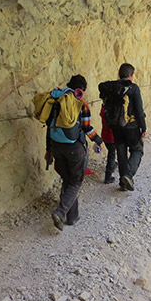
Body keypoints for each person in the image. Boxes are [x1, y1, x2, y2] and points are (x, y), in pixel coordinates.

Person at [47, 75, 103, 231]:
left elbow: (49, 126)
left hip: (56, 145)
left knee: (68, 179)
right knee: (76, 181)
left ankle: (72, 217)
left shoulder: (57, 102)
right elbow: (86, 127)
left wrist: (49, 150)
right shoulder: (81, 104)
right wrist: (98, 140)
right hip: (74, 148)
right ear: (82, 89)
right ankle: (60, 212)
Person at [111, 63, 147, 191]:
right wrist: (144, 128)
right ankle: (128, 175)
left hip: (115, 127)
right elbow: (139, 110)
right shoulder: (134, 88)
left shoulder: (112, 87)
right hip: (131, 126)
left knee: (121, 153)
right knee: (137, 150)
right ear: (130, 75)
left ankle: (123, 182)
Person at [99, 106, 117, 184]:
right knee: (111, 155)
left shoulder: (104, 109)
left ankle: (113, 165)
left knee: (111, 153)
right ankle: (108, 177)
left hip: (105, 135)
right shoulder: (114, 110)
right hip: (112, 136)